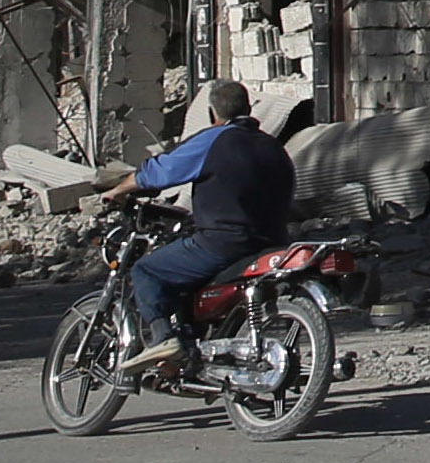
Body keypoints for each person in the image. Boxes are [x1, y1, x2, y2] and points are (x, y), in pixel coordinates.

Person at [120, 79, 297, 371]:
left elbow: (160, 172)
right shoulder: (274, 146)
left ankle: (165, 340)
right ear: (249, 108)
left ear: (213, 113)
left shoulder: (214, 139)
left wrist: (118, 190)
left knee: (146, 270)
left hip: (223, 243)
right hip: (273, 241)